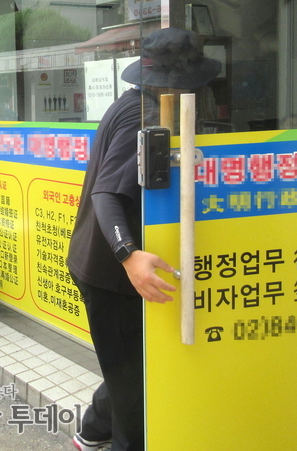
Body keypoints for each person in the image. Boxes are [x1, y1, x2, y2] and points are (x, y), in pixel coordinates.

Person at [67, 28, 221, 451]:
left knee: (129, 365)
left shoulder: (138, 102)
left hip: (103, 261)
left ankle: (91, 432)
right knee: (136, 392)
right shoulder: (145, 116)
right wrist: (128, 255)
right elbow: (106, 193)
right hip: (110, 272)